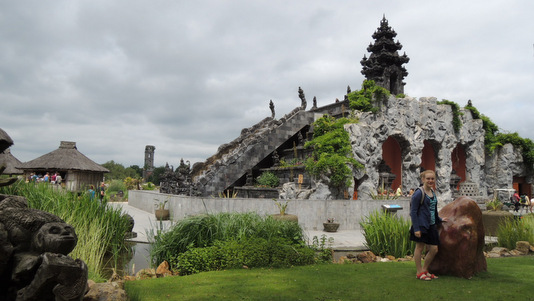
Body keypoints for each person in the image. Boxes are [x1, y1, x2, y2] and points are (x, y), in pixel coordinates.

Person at [410, 170, 446, 281]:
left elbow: (433, 210)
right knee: (419, 248)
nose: (430, 181)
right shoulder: (419, 193)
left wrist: (440, 220)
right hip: (421, 225)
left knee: (434, 249)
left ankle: (425, 270)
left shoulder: (432, 192)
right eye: (428, 178)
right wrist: (416, 228)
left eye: (432, 179)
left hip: (431, 225)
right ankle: (419, 272)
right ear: (423, 179)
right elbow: (413, 211)